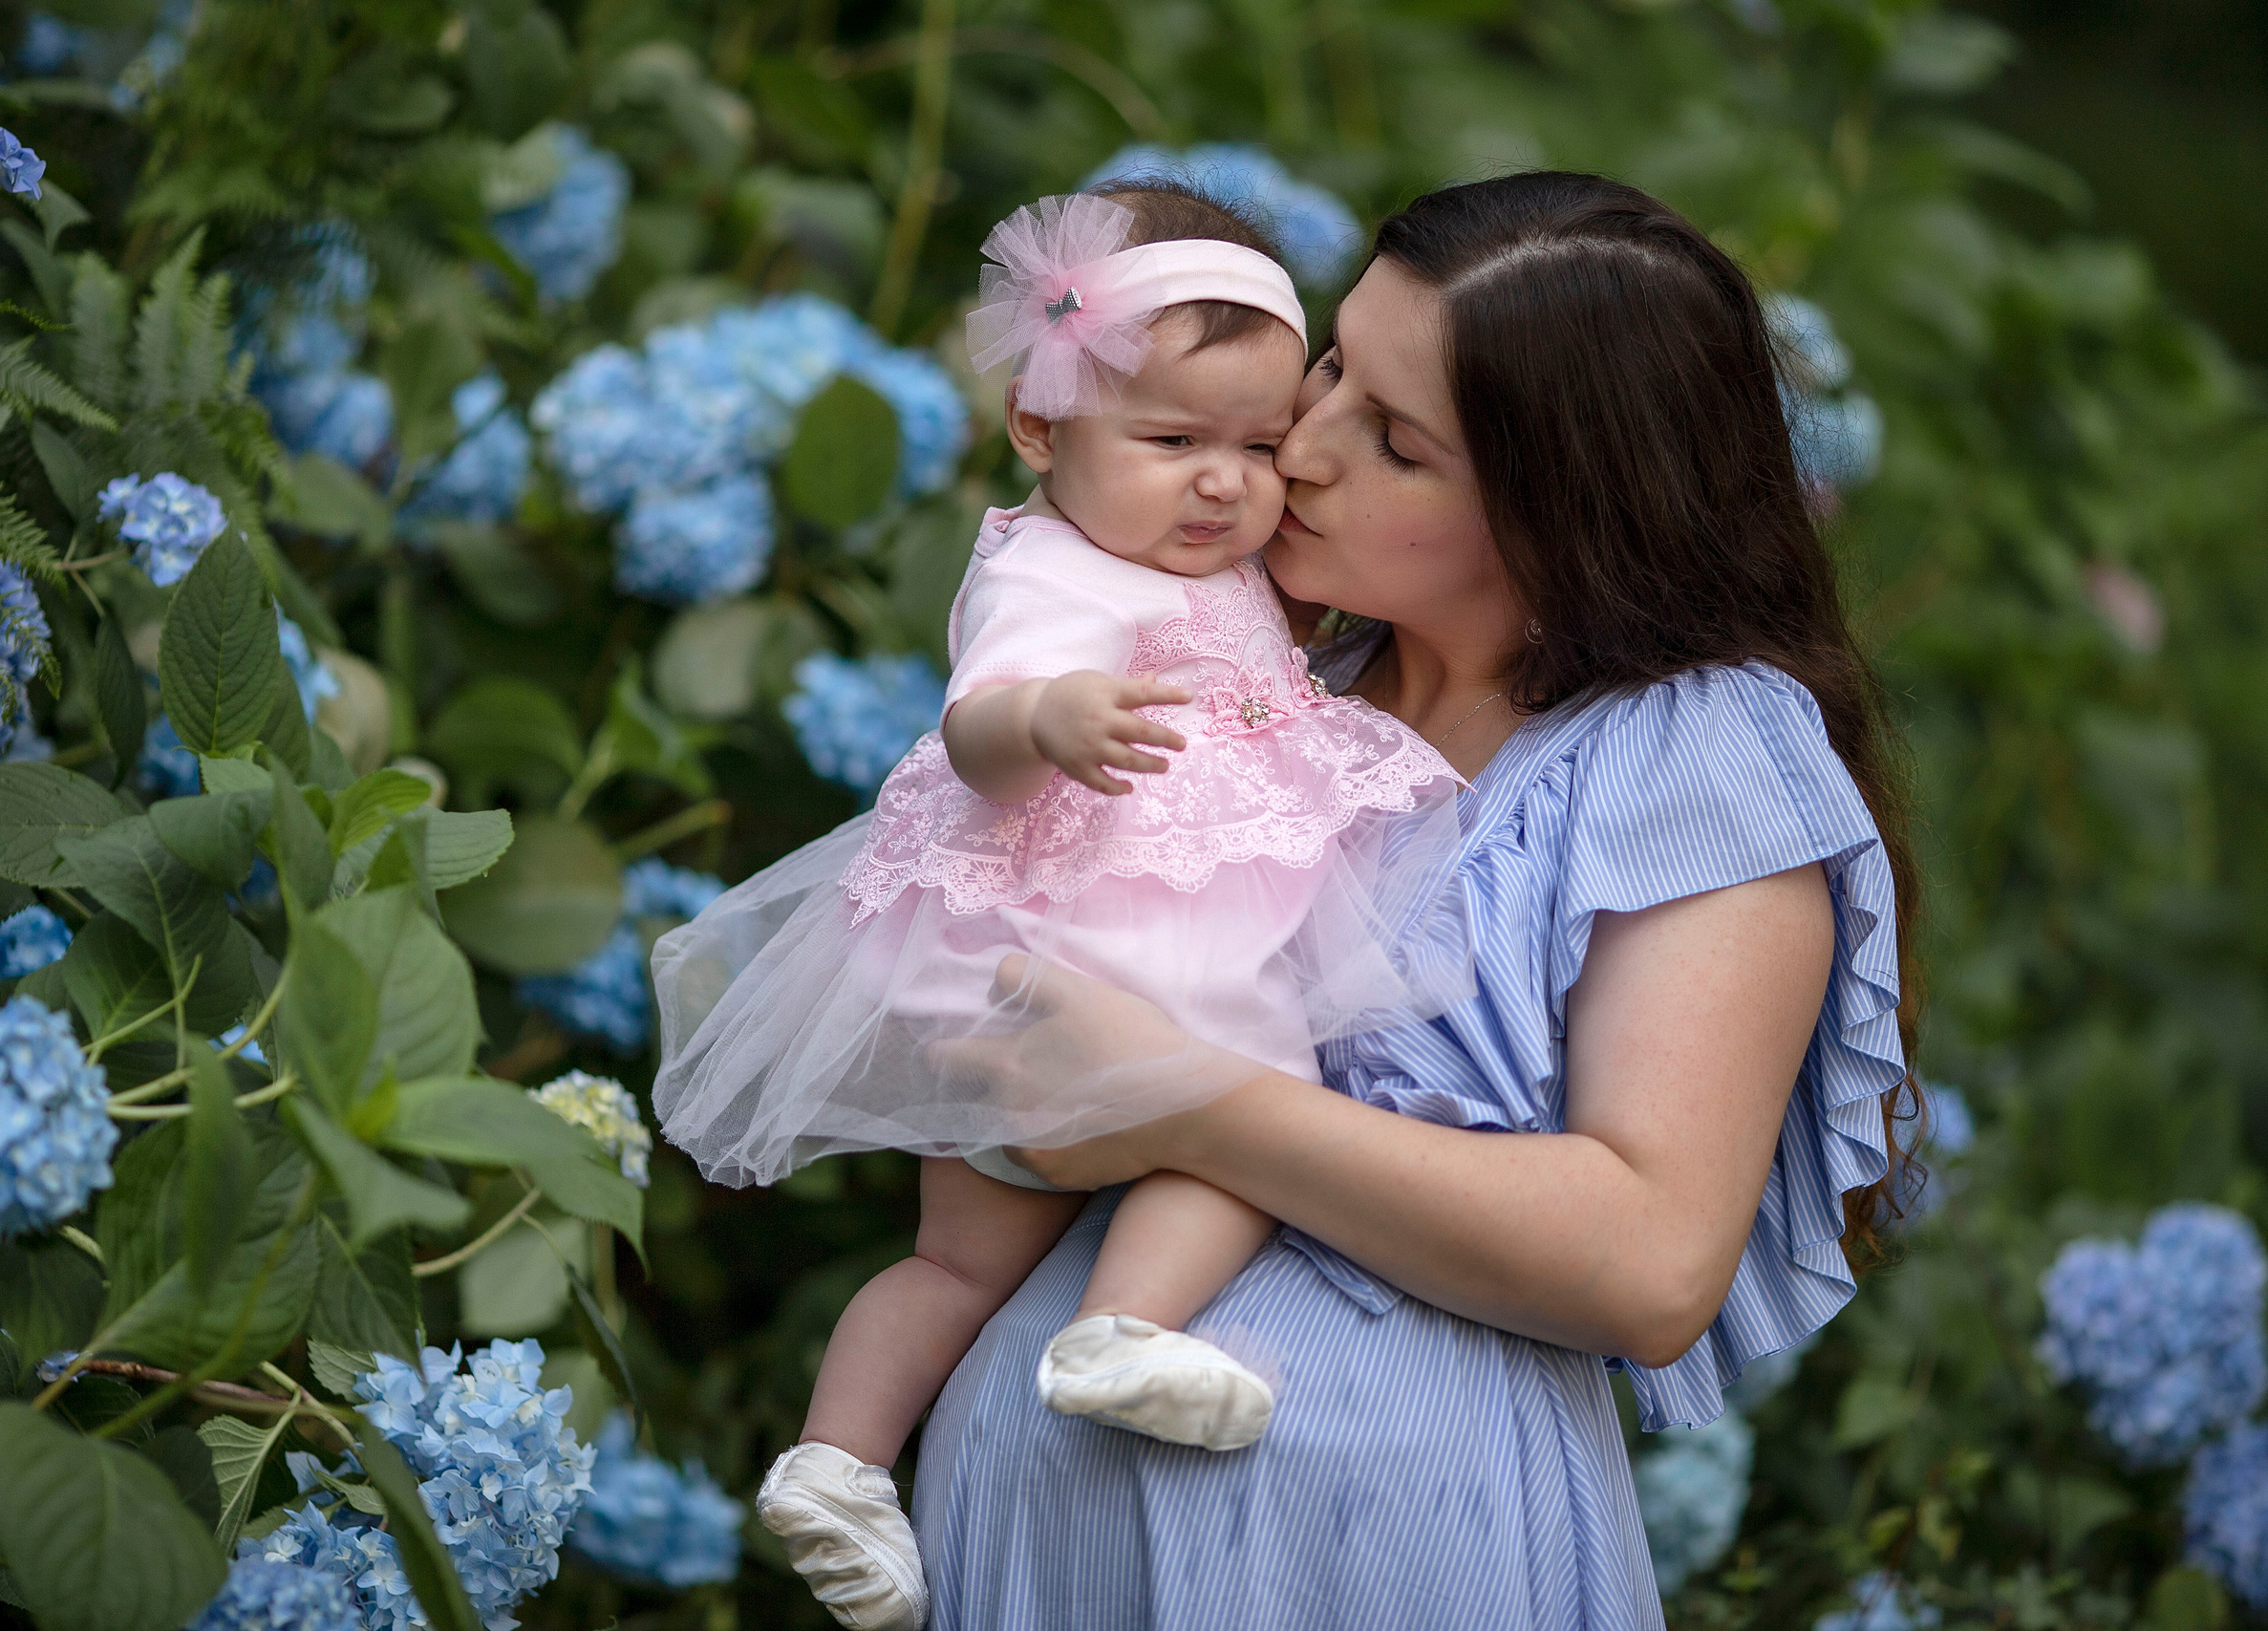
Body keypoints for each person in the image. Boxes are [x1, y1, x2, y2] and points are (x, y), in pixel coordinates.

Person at [907, 170, 1921, 1630]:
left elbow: (1649, 1257)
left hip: (1383, 1558)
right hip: (1040, 1532)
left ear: (1566, 505)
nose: (1298, 450)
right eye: (1329, 365)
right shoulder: (1256, 668)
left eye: (1393, 440)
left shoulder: (1692, 756)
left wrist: (1186, 1100)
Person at [652, 185, 1462, 1629]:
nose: (1225, 485)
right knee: (1243, 1120)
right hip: (1094, 960)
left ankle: (884, 1442)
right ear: (1042, 431)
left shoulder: (1192, 555)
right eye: (1171, 442)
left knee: (971, 1253)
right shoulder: (1053, 572)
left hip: (1079, 972)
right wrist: (1054, 719)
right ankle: (1043, 1367)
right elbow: (974, 729)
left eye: (1260, 448)